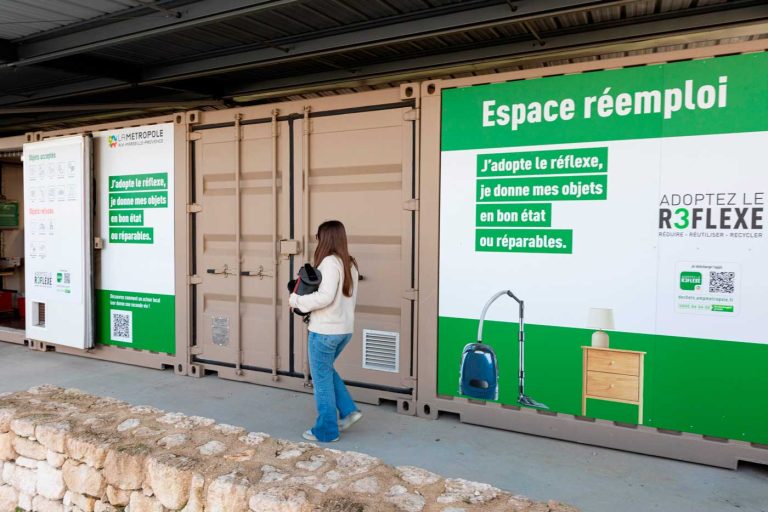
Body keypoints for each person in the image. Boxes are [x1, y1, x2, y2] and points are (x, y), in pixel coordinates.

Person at [289, 220, 362, 442]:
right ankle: (349, 411)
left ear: (325, 238)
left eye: (318, 236)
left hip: (325, 332)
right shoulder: (350, 263)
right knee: (326, 371)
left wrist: (296, 300)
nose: (317, 240)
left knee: (321, 381)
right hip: (343, 330)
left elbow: (325, 297)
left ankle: (327, 431)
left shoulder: (329, 263)